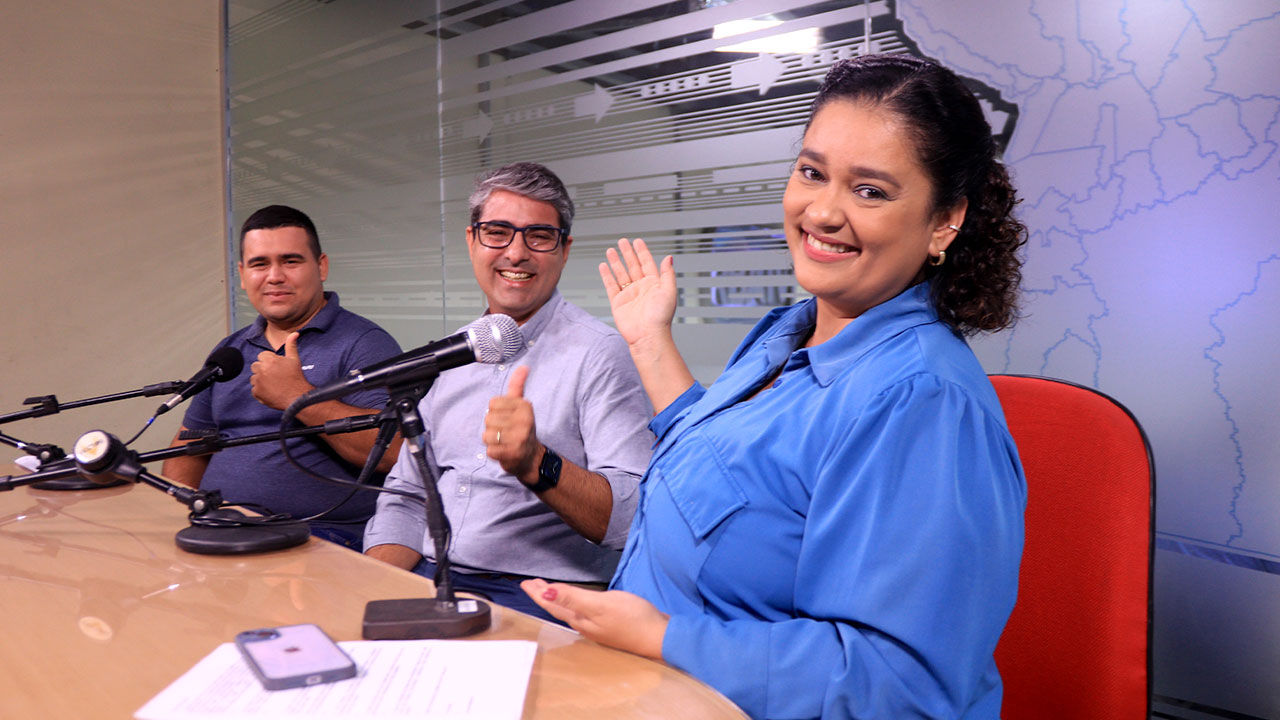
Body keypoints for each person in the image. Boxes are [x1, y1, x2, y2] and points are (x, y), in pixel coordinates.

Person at [521, 54, 1029, 719]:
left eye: (870, 191)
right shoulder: (792, 332)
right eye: (812, 172)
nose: (822, 211)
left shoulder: (921, 402)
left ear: (944, 221)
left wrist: (663, 638)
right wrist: (650, 343)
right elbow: (733, 472)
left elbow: (902, 688)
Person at [363, 162, 653, 620]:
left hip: (540, 596)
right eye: (497, 231)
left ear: (564, 249)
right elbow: (406, 496)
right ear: (471, 241)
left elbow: (629, 518)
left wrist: (537, 462)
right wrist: (376, 589)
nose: (516, 253)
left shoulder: (600, 352)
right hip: (431, 576)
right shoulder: (451, 355)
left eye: (538, 235)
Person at [161, 205, 403, 550]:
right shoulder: (230, 350)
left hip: (322, 536)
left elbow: (393, 451)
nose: (275, 276)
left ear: (321, 267)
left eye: (291, 261)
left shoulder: (363, 343)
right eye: (260, 264)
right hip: (225, 528)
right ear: (243, 275)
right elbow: (190, 447)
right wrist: (183, 515)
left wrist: (297, 398)